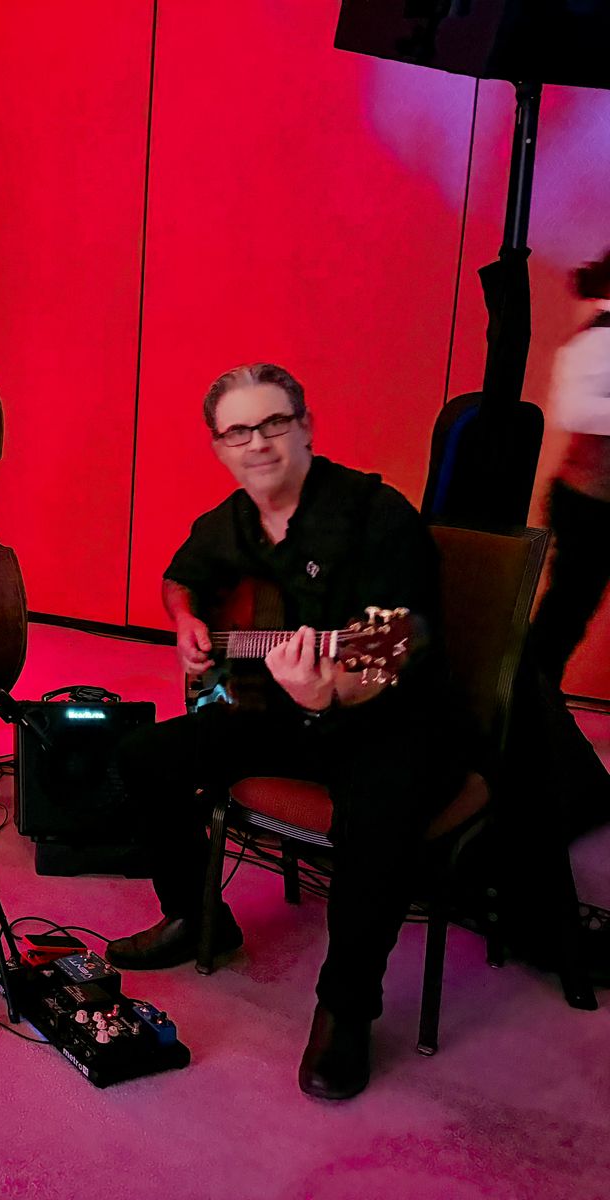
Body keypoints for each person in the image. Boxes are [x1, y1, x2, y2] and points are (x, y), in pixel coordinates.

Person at [105, 363, 470, 1101]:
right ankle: (197, 916)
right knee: (143, 755)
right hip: (276, 709)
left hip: (387, 713)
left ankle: (346, 1009)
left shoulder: (377, 516)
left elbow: (394, 647)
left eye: (274, 423)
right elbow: (179, 577)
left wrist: (330, 690)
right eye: (238, 431)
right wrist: (187, 620)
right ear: (219, 446)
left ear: (304, 427)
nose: (258, 443)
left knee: (379, 813)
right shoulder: (231, 522)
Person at [529, 248, 610, 688]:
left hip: (593, 498)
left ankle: (531, 700)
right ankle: (528, 702)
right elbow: (572, 409)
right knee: (565, 616)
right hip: (589, 503)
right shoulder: (599, 338)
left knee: (569, 614)